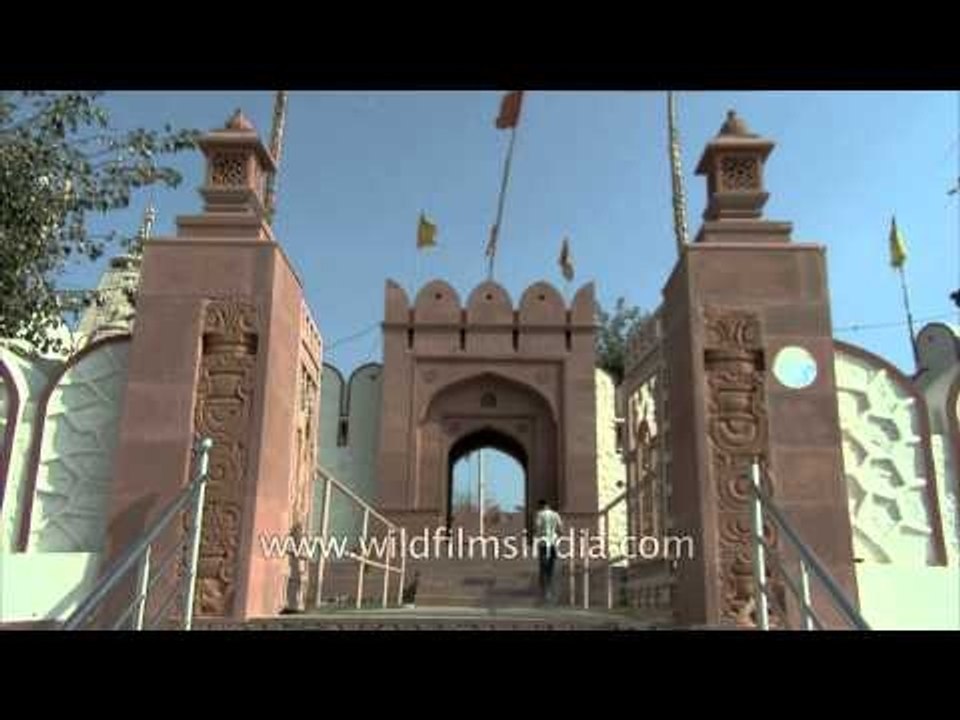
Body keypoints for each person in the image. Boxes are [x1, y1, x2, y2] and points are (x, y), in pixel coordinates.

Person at [534, 499, 563, 605]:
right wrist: (558, 536)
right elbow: (561, 528)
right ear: (548, 505)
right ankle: (550, 590)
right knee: (551, 566)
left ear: (541, 506)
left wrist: (537, 536)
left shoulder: (539, 514)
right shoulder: (555, 515)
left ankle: (544, 592)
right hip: (553, 543)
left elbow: (537, 527)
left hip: (543, 542)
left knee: (543, 567)